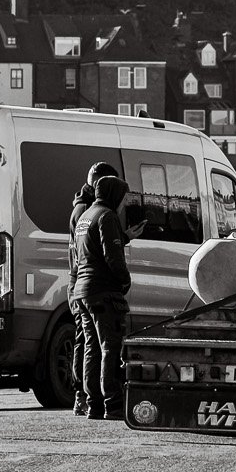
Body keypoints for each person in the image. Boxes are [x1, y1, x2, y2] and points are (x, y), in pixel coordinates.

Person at [70, 175, 133, 420]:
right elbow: (113, 257)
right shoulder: (107, 216)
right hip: (103, 291)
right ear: (114, 195)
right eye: (123, 198)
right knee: (110, 347)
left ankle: (94, 403)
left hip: (82, 291)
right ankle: (112, 404)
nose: (124, 203)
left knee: (91, 348)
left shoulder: (85, 217)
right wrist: (124, 281)